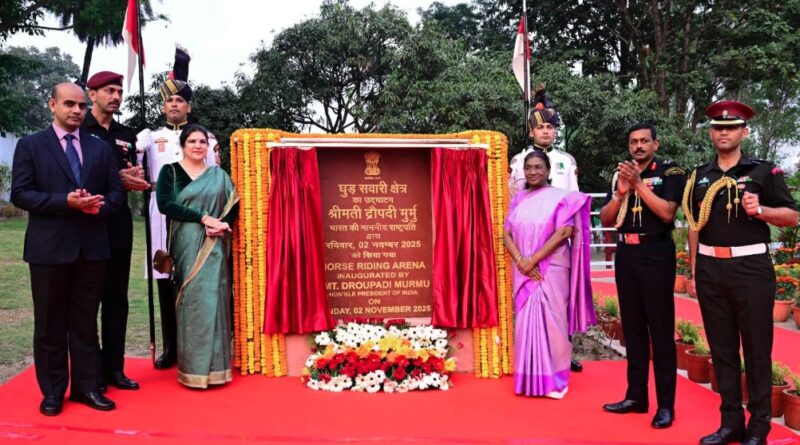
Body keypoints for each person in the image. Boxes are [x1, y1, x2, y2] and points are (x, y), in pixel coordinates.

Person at [685, 101, 797, 445]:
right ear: (710, 132)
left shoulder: (764, 171)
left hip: (750, 269)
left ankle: (759, 426)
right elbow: (693, 224)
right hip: (710, 268)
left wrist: (760, 210)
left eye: (731, 127)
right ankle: (730, 422)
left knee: (756, 349)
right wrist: (694, 268)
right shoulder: (700, 175)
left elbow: (792, 216)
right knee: (722, 350)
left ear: (743, 132)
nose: (724, 132)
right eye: (718, 128)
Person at [11, 82, 124, 415]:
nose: (77, 111)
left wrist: (97, 207)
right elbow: (21, 193)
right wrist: (66, 202)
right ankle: (53, 391)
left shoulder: (100, 148)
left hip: (91, 249)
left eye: (82, 106)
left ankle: (87, 388)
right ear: (52, 105)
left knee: (85, 322)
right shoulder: (31, 145)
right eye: (69, 104)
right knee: (49, 324)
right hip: (48, 251)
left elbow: (117, 194)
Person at [136, 47, 218, 369]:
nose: (174, 104)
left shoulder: (204, 139)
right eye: (169, 100)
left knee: (195, 279)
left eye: (180, 100)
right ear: (163, 105)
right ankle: (171, 346)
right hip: (160, 214)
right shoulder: (149, 136)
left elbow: (213, 178)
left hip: (195, 215)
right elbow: (129, 160)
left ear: (188, 106)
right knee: (164, 276)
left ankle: (195, 345)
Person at [599, 122, 685, 429]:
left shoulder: (670, 172)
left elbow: (666, 213)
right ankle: (636, 396)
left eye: (644, 141)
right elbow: (607, 220)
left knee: (660, 331)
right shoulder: (620, 173)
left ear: (655, 145)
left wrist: (638, 184)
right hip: (627, 255)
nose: (638, 146)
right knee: (632, 329)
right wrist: (621, 193)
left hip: (656, 253)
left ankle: (665, 405)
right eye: (633, 141)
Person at [503, 150, 594, 399]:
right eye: (529, 167)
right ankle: (529, 379)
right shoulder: (519, 198)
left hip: (551, 268)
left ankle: (556, 381)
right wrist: (522, 261)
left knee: (553, 323)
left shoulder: (562, 198)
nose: (533, 172)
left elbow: (564, 232)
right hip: (523, 270)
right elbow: (506, 234)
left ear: (549, 171)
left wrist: (533, 259)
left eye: (538, 167)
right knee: (525, 325)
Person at [82, 71, 151, 392]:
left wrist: (136, 177)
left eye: (119, 91)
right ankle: (90, 371)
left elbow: (131, 175)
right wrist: (116, 180)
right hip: (87, 225)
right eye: (108, 90)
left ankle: (115, 369)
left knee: (116, 300)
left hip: (119, 224)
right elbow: (73, 176)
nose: (115, 96)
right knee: (87, 300)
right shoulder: (79, 128)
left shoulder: (127, 134)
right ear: (91, 93)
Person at [156, 124, 238, 388]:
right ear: (183, 144)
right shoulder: (170, 171)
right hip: (186, 242)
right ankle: (192, 369)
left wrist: (221, 224)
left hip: (215, 243)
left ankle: (217, 369)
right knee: (192, 299)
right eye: (192, 141)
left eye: (202, 141)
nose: (197, 146)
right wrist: (202, 218)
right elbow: (165, 205)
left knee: (214, 297)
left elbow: (232, 204)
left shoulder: (218, 174)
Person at [508, 87, 584, 373]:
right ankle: (530, 355)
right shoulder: (518, 162)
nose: (546, 131)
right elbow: (514, 204)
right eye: (540, 127)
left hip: (557, 240)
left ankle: (563, 351)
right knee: (528, 301)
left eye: (551, 126)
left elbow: (574, 200)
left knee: (559, 302)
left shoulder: (567, 161)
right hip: (528, 242)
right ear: (531, 132)